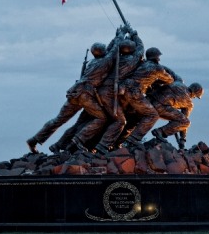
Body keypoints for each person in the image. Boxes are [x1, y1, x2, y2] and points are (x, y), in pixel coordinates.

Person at [26, 26, 125, 154]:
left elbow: (109, 50)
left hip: (75, 92)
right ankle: (78, 140)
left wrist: (116, 36)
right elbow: (113, 51)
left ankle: (35, 139)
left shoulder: (93, 62)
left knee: (59, 119)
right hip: (85, 95)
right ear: (102, 52)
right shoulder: (104, 62)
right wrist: (121, 35)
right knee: (102, 118)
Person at [78, 26, 144, 154]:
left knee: (104, 118)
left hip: (99, 92)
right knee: (120, 121)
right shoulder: (131, 61)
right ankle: (102, 146)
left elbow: (109, 50)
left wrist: (118, 36)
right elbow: (140, 51)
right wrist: (135, 35)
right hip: (109, 93)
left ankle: (82, 143)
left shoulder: (110, 59)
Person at [117, 47, 176, 146]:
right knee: (152, 115)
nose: (159, 59)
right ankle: (132, 140)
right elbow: (169, 80)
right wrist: (158, 79)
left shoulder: (142, 63)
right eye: (158, 57)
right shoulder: (157, 68)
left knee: (129, 116)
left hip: (123, 89)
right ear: (156, 57)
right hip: (134, 92)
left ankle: (117, 142)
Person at [149, 82, 204, 149]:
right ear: (194, 94)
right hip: (160, 106)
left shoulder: (179, 83)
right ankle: (160, 131)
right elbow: (184, 120)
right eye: (195, 96)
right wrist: (182, 139)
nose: (194, 98)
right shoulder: (189, 103)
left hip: (150, 99)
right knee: (186, 122)